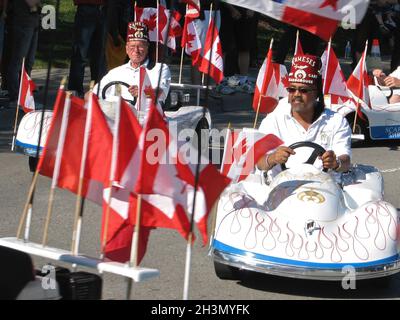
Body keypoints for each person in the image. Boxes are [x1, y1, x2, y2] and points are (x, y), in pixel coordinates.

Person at [257, 54, 351, 179]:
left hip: (325, 189)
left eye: (303, 90)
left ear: (316, 93)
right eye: (291, 89)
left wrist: (336, 162)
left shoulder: (336, 121)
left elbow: (345, 161)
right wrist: (273, 158)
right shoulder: (273, 120)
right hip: (282, 189)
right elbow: (259, 162)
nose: (296, 94)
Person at [93, 21, 171, 113]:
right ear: (126, 48)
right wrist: (89, 96)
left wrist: (143, 92)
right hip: (120, 119)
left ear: (147, 47)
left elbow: (160, 92)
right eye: (132, 46)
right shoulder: (115, 72)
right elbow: (95, 93)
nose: (136, 50)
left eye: (140, 46)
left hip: (149, 119)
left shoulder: (159, 68)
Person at [68, 0, 108, 98]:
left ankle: (98, 90)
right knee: (80, 53)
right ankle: (75, 92)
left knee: (99, 55)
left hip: (103, 10)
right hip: (86, 8)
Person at [6, 0, 41, 108]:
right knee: (18, 62)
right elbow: (32, 3)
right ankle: (15, 98)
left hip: (32, 22)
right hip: (23, 23)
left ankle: (26, 98)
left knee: (28, 63)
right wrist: (38, 4)